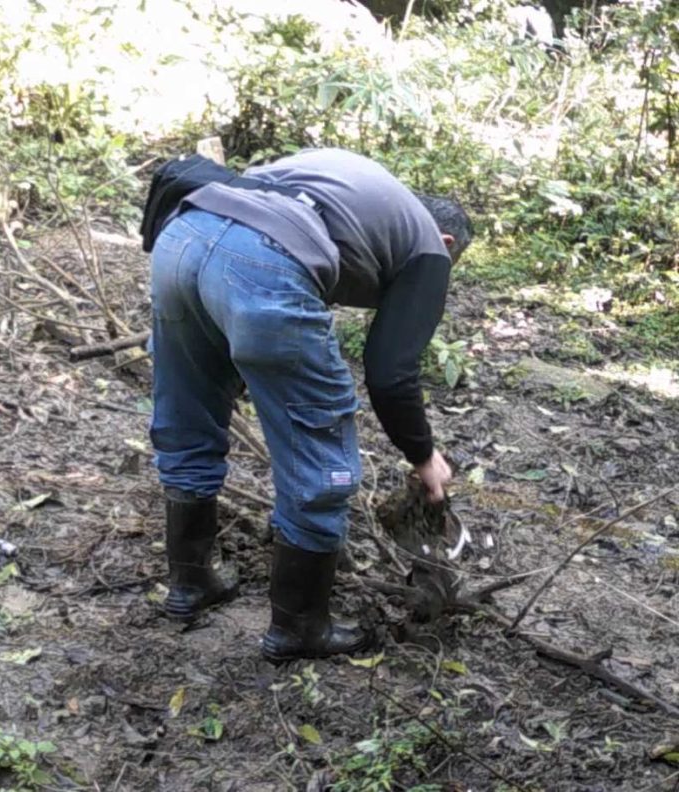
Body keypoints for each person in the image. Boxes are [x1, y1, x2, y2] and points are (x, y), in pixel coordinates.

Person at [149, 147, 473, 661]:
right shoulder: (427, 246)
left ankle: (189, 585)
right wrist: (423, 456)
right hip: (263, 256)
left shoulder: (347, 190)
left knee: (188, 421)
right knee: (321, 462)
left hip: (183, 238)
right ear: (449, 242)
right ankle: (300, 627)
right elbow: (390, 374)